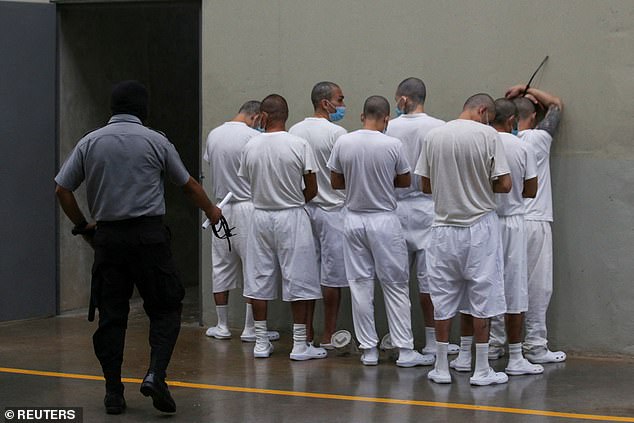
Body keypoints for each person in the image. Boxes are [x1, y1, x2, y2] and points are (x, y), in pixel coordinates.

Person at [54, 80, 222, 415]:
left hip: (109, 240)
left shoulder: (90, 142)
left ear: (112, 108)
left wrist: (83, 225)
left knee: (111, 316)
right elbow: (187, 184)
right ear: (143, 108)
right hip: (149, 238)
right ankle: (155, 375)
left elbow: (62, 189)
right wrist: (212, 211)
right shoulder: (155, 141)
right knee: (165, 307)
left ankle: (113, 392)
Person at [415, 93, 511, 385]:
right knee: (483, 296)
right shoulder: (488, 136)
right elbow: (504, 183)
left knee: (442, 297)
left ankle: (442, 366)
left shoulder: (434, 136)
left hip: (443, 228)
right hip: (480, 227)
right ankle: (481, 369)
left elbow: (425, 184)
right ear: (482, 110)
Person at [327, 95, 430, 367]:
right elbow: (405, 180)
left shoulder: (343, 141)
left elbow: (336, 180)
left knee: (360, 285)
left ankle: (368, 350)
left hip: (352, 218)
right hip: (384, 219)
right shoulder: (393, 144)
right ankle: (405, 350)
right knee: (395, 285)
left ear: (362, 115)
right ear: (386, 118)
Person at [238, 94, 327, 361]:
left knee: (258, 277)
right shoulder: (298, 144)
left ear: (263, 116)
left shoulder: (250, 146)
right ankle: (300, 344)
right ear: (285, 116)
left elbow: (247, 181)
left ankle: (261, 342)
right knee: (298, 276)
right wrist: (293, 199)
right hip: (292, 216)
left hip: (260, 216)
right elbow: (312, 187)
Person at [385, 77, 459, 360]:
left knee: (397, 281)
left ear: (403, 99)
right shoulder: (440, 128)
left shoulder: (389, 127)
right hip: (430, 208)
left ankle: (401, 339)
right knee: (431, 281)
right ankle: (432, 339)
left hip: (397, 207)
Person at [203, 100, 279, 343]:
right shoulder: (252, 138)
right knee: (253, 267)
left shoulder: (214, 135)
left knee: (221, 265)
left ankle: (222, 325)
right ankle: (251, 329)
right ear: (257, 118)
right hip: (248, 207)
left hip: (220, 209)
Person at [506, 84, 566, 364]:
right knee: (538, 286)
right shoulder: (538, 139)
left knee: (502, 285)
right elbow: (557, 105)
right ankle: (535, 344)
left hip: (504, 221)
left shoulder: (499, 140)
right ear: (533, 116)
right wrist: (530, 90)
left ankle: (495, 344)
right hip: (535, 220)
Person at [289, 81, 349, 349]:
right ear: (325, 103)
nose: (342, 104)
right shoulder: (338, 133)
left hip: (304, 209)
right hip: (333, 211)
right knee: (332, 276)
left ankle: (307, 333)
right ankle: (329, 334)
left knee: (305, 273)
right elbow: (343, 174)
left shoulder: (294, 131)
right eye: (340, 99)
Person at [488, 98, 544, 375]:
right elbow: (530, 190)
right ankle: (515, 356)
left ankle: (483, 349)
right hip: (512, 222)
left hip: (485, 222)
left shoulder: (482, 143)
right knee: (515, 289)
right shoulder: (521, 146)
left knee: (483, 287)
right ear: (512, 121)